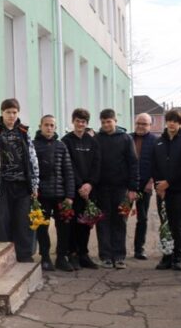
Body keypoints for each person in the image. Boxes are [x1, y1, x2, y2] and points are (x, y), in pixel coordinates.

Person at [0, 99, 40, 262]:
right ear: (2, 112)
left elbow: (32, 158)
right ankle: (4, 255)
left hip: (23, 184)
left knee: (23, 220)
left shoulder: (24, 132)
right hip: (2, 185)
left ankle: (24, 254)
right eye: (8, 112)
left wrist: (35, 183)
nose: (11, 115)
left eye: (14, 112)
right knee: (2, 220)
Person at [94, 109, 138, 269]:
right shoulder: (97, 139)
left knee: (120, 221)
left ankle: (119, 256)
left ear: (115, 121)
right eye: (103, 122)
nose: (106, 124)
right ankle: (105, 256)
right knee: (103, 222)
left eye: (109, 121)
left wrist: (133, 188)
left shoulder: (126, 139)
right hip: (101, 188)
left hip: (121, 188)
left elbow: (133, 164)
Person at [150, 109, 181, 270]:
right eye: (169, 120)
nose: (172, 123)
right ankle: (166, 256)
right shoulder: (158, 141)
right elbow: (154, 165)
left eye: (175, 121)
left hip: (177, 190)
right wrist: (158, 185)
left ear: (180, 123)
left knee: (177, 224)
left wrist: (169, 182)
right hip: (161, 190)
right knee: (164, 224)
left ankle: (177, 257)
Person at [32, 115, 75, 271]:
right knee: (42, 228)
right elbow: (31, 171)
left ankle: (61, 257)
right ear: (40, 126)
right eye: (46, 125)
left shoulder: (61, 146)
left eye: (52, 125)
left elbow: (68, 172)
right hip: (42, 195)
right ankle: (45, 257)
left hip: (60, 195)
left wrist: (69, 196)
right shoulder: (33, 145)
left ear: (55, 128)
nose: (49, 128)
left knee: (64, 227)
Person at [62, 108, 101, 269]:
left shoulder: (92, 142)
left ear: (87, 123)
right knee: (72, 224)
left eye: (83, 122)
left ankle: (84, 254)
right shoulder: (66, 141)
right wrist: (80, 186)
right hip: (74, 190)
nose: (80, 124)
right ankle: (72, 254)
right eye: (78, 121)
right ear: (73, 121)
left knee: (86, 223)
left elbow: (97, 164)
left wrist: (90, 184)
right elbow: (68, 166)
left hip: (89, 191)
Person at [131, 113, 157, 260]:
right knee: (122, 217)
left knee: (143, 218)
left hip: (144, 185)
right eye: (138, 123)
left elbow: (157, 163)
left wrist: (151, 181)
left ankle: (139, 249)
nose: (140, 126)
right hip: (128, 186)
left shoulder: (155, 141)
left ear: (150, 126)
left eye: (144, 124)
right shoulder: (128, 138)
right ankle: (119, 250)